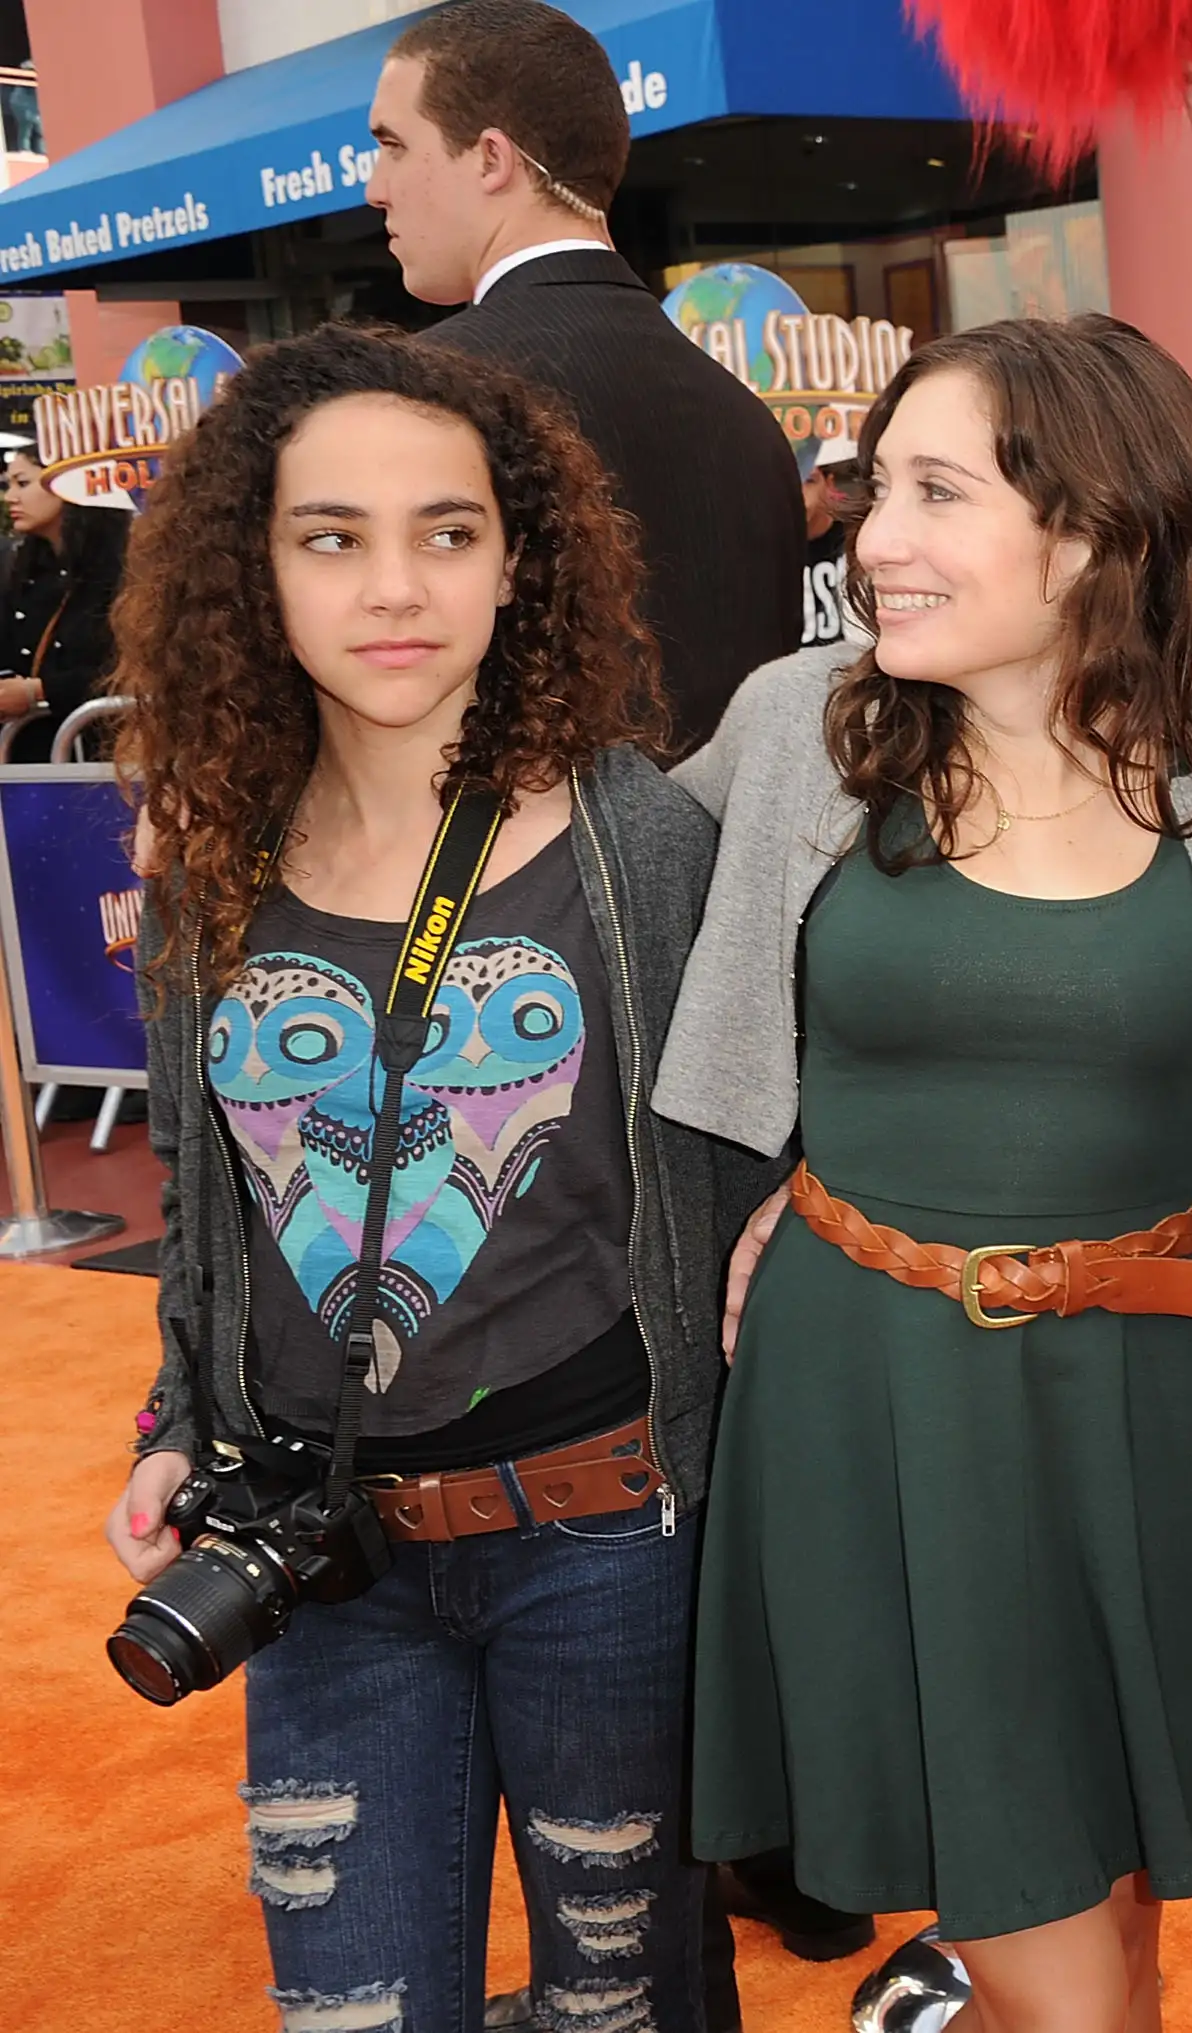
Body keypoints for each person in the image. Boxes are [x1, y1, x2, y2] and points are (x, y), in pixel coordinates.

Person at [657, 313, 1192, 2033]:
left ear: (1094, 526)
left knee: (1107, 1863)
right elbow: (607, 907)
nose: (873, 537)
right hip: (876, 1390)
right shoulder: (799, 726)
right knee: (1029, 1887)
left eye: (935, 493)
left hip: (1152, 1391)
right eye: (880, 489)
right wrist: (758, 1185)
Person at [100, 322, 739, 2033]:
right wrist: (185, 1416)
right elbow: (208, 1189)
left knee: (627, 2009)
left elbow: (734, 1187)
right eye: (334, 536)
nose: (397, 586)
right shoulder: (208, 852)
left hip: (607, 1538)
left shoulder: (638, 840)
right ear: (258, 567)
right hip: (320, 1562)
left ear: (519, 559)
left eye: (447, 531)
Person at [369, 0, 802, 756]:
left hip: (506, 859)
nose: (376, 187)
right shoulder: (745, 413)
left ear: (493, 159)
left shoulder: (425, 394)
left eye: (394, 146)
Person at [0, 447, 129, 760]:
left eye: (22, 483)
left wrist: (39, 691)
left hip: (98, 759)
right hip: (29, 754)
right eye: (8, 485)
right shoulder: (21, 566)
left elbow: (129, 672)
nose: (9, 497)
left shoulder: (124, 568)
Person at [795, 431, 866, 650]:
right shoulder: (760, 548)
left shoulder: (857, 540)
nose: (799, 495)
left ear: (829, 483)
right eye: (788, 480)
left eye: (808, 481)